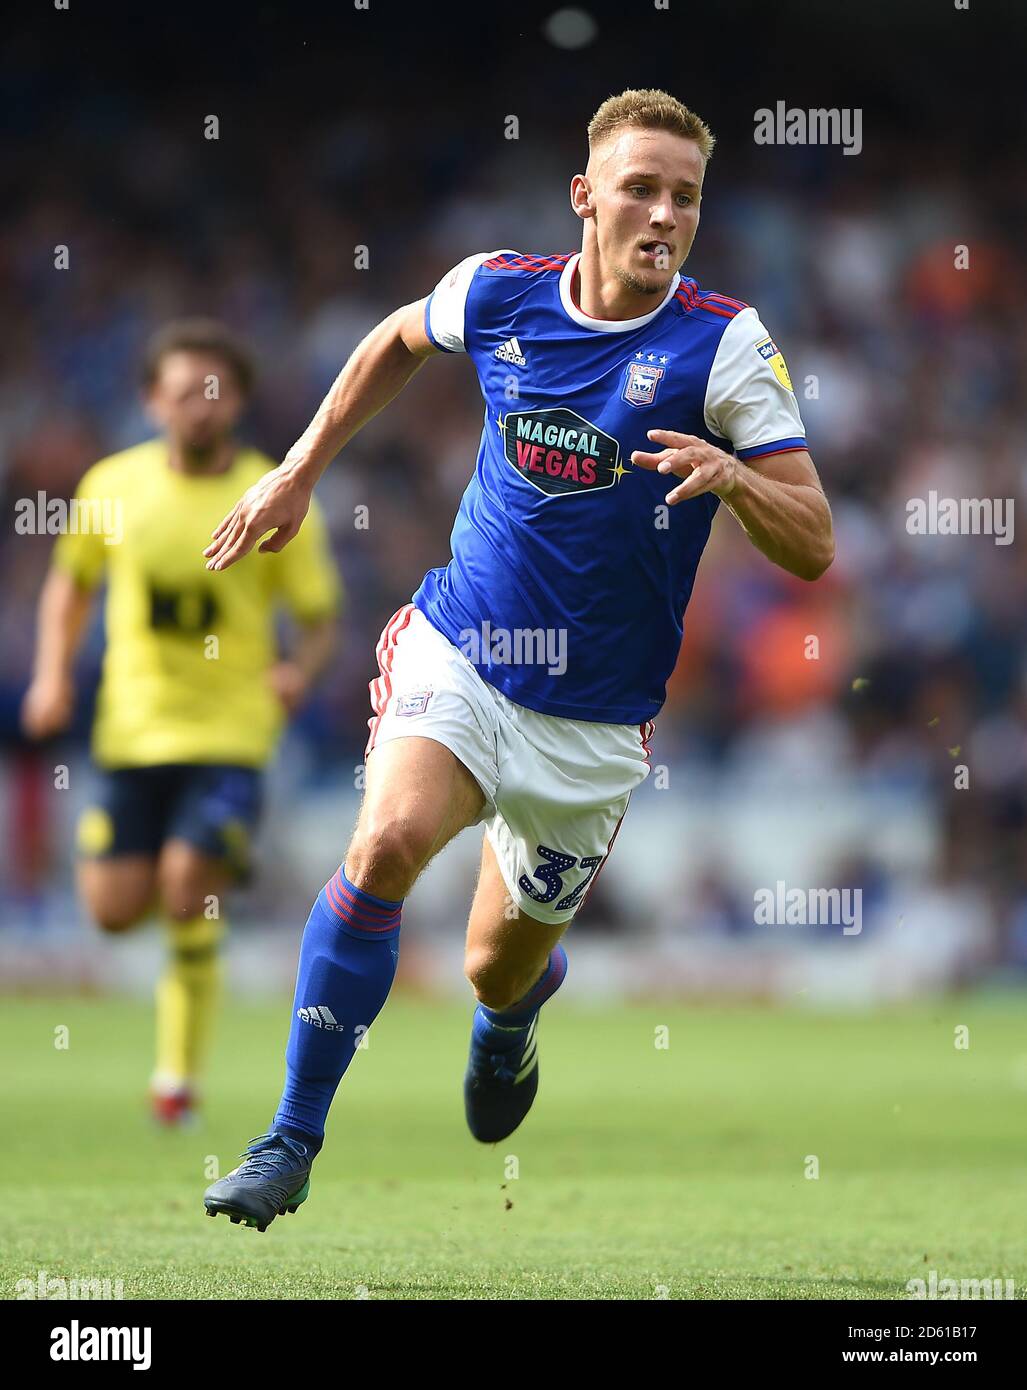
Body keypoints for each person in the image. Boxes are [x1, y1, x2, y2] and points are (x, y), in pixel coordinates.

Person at [200, 88, 833, 1230]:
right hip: (465, 650)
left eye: (684, 197)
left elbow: (815, 540)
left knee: (496, 964)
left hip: (591, 726)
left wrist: (738, 478)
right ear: (586, 196)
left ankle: (508, 1019)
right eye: (641, 189)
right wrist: (298, 469)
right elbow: (397, 336)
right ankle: (288, 1137)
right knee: (386, 841)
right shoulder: (501, 291)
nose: (664, 215)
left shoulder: (723, 345)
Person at [21, 319, 341, 1126]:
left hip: (232, 734)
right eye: (182, 393)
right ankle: (185, 947)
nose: (199, 408)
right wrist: (53, 675)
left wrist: (295, 673)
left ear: (236, 401)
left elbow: (320, 617)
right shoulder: (112, 487)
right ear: (151, 401)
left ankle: (176, 1082)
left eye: (215, 392)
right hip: (132, 733)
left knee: (188, 885)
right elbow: (70, 586)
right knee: (113, 908)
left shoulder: (276, 488)